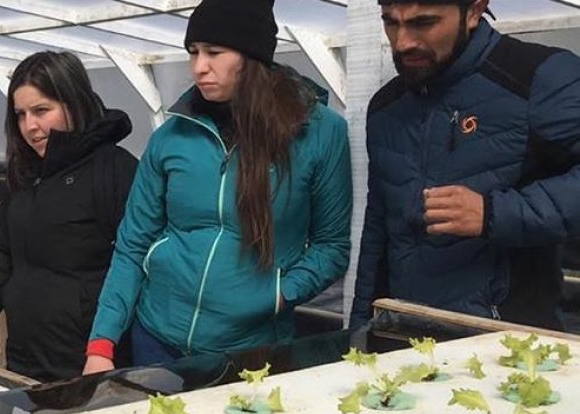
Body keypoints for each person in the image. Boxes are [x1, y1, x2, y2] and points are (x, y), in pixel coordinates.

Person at [84, 0, 352, 374]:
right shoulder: (170, 136)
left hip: (252, 350)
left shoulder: (319, 133)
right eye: (193, 52)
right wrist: (102, 343)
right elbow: (132, 244)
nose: (198, 67)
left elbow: (331, 246)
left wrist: (278, 294)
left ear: (252, 55)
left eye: (213, 52)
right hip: (157, 339)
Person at [351, 0, 580, 331]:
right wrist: (360, 332)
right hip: (406, 336)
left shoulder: (539, 77)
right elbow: (377, 232)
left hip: (505, 341)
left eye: (423, 23)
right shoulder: (386, 107)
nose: (402, 42)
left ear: (474, 11)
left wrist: (493, 213)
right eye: (391, 22)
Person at [0, 52, 138, 381]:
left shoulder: (115, 170)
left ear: (73, 103)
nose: (29, 126)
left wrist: (103, 349)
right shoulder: (25, 174)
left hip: (89, 361)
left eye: (41, 111)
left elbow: (132, 264)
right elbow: (3, 256)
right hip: (25, 356)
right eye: (20, 115)